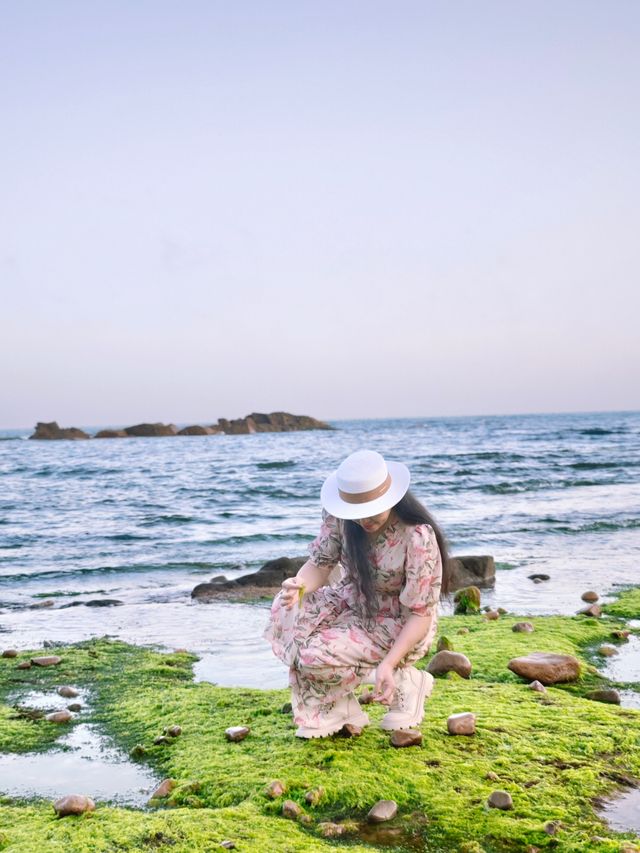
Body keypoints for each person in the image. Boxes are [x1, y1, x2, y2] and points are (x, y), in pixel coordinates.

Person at [264, 449, 450, 738]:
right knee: (286, 609)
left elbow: (420, 613)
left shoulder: (416, 536)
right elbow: (321, 565)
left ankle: (404, 680)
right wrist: (299, 585)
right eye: (357, 513)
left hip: (401, 621)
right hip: (353, 602)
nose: (364, 520)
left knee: (315, 654)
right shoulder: (341, 519)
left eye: (372, 510)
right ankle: (341, 706)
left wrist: (388, 664)